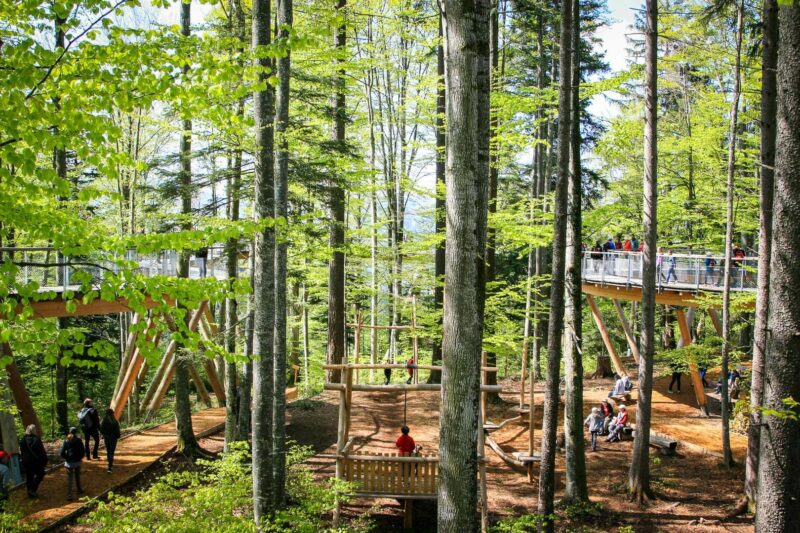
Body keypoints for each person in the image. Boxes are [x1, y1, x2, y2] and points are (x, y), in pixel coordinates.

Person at [19, 424, 47, 499]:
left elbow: (22, 452)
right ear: (34, 430)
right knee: (40, 474)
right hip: (36, 462)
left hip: (26, 462)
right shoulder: (36, 439)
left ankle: (30, 493)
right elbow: (41, 452)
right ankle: (32, 490)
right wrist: (45, 461)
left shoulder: (22, 440)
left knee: (29, 477)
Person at [60, 427, 85, 501]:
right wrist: (80, 458)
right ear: (76, 432)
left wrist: (66, 458)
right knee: (77, 476)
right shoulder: (79, 440)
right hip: (77, 462)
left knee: (70, 479)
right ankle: (79, 489)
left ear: (69, 432)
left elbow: (61, 452)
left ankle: (69, 495)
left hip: (69, 463)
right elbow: (83, 451)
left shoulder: (66, 440)